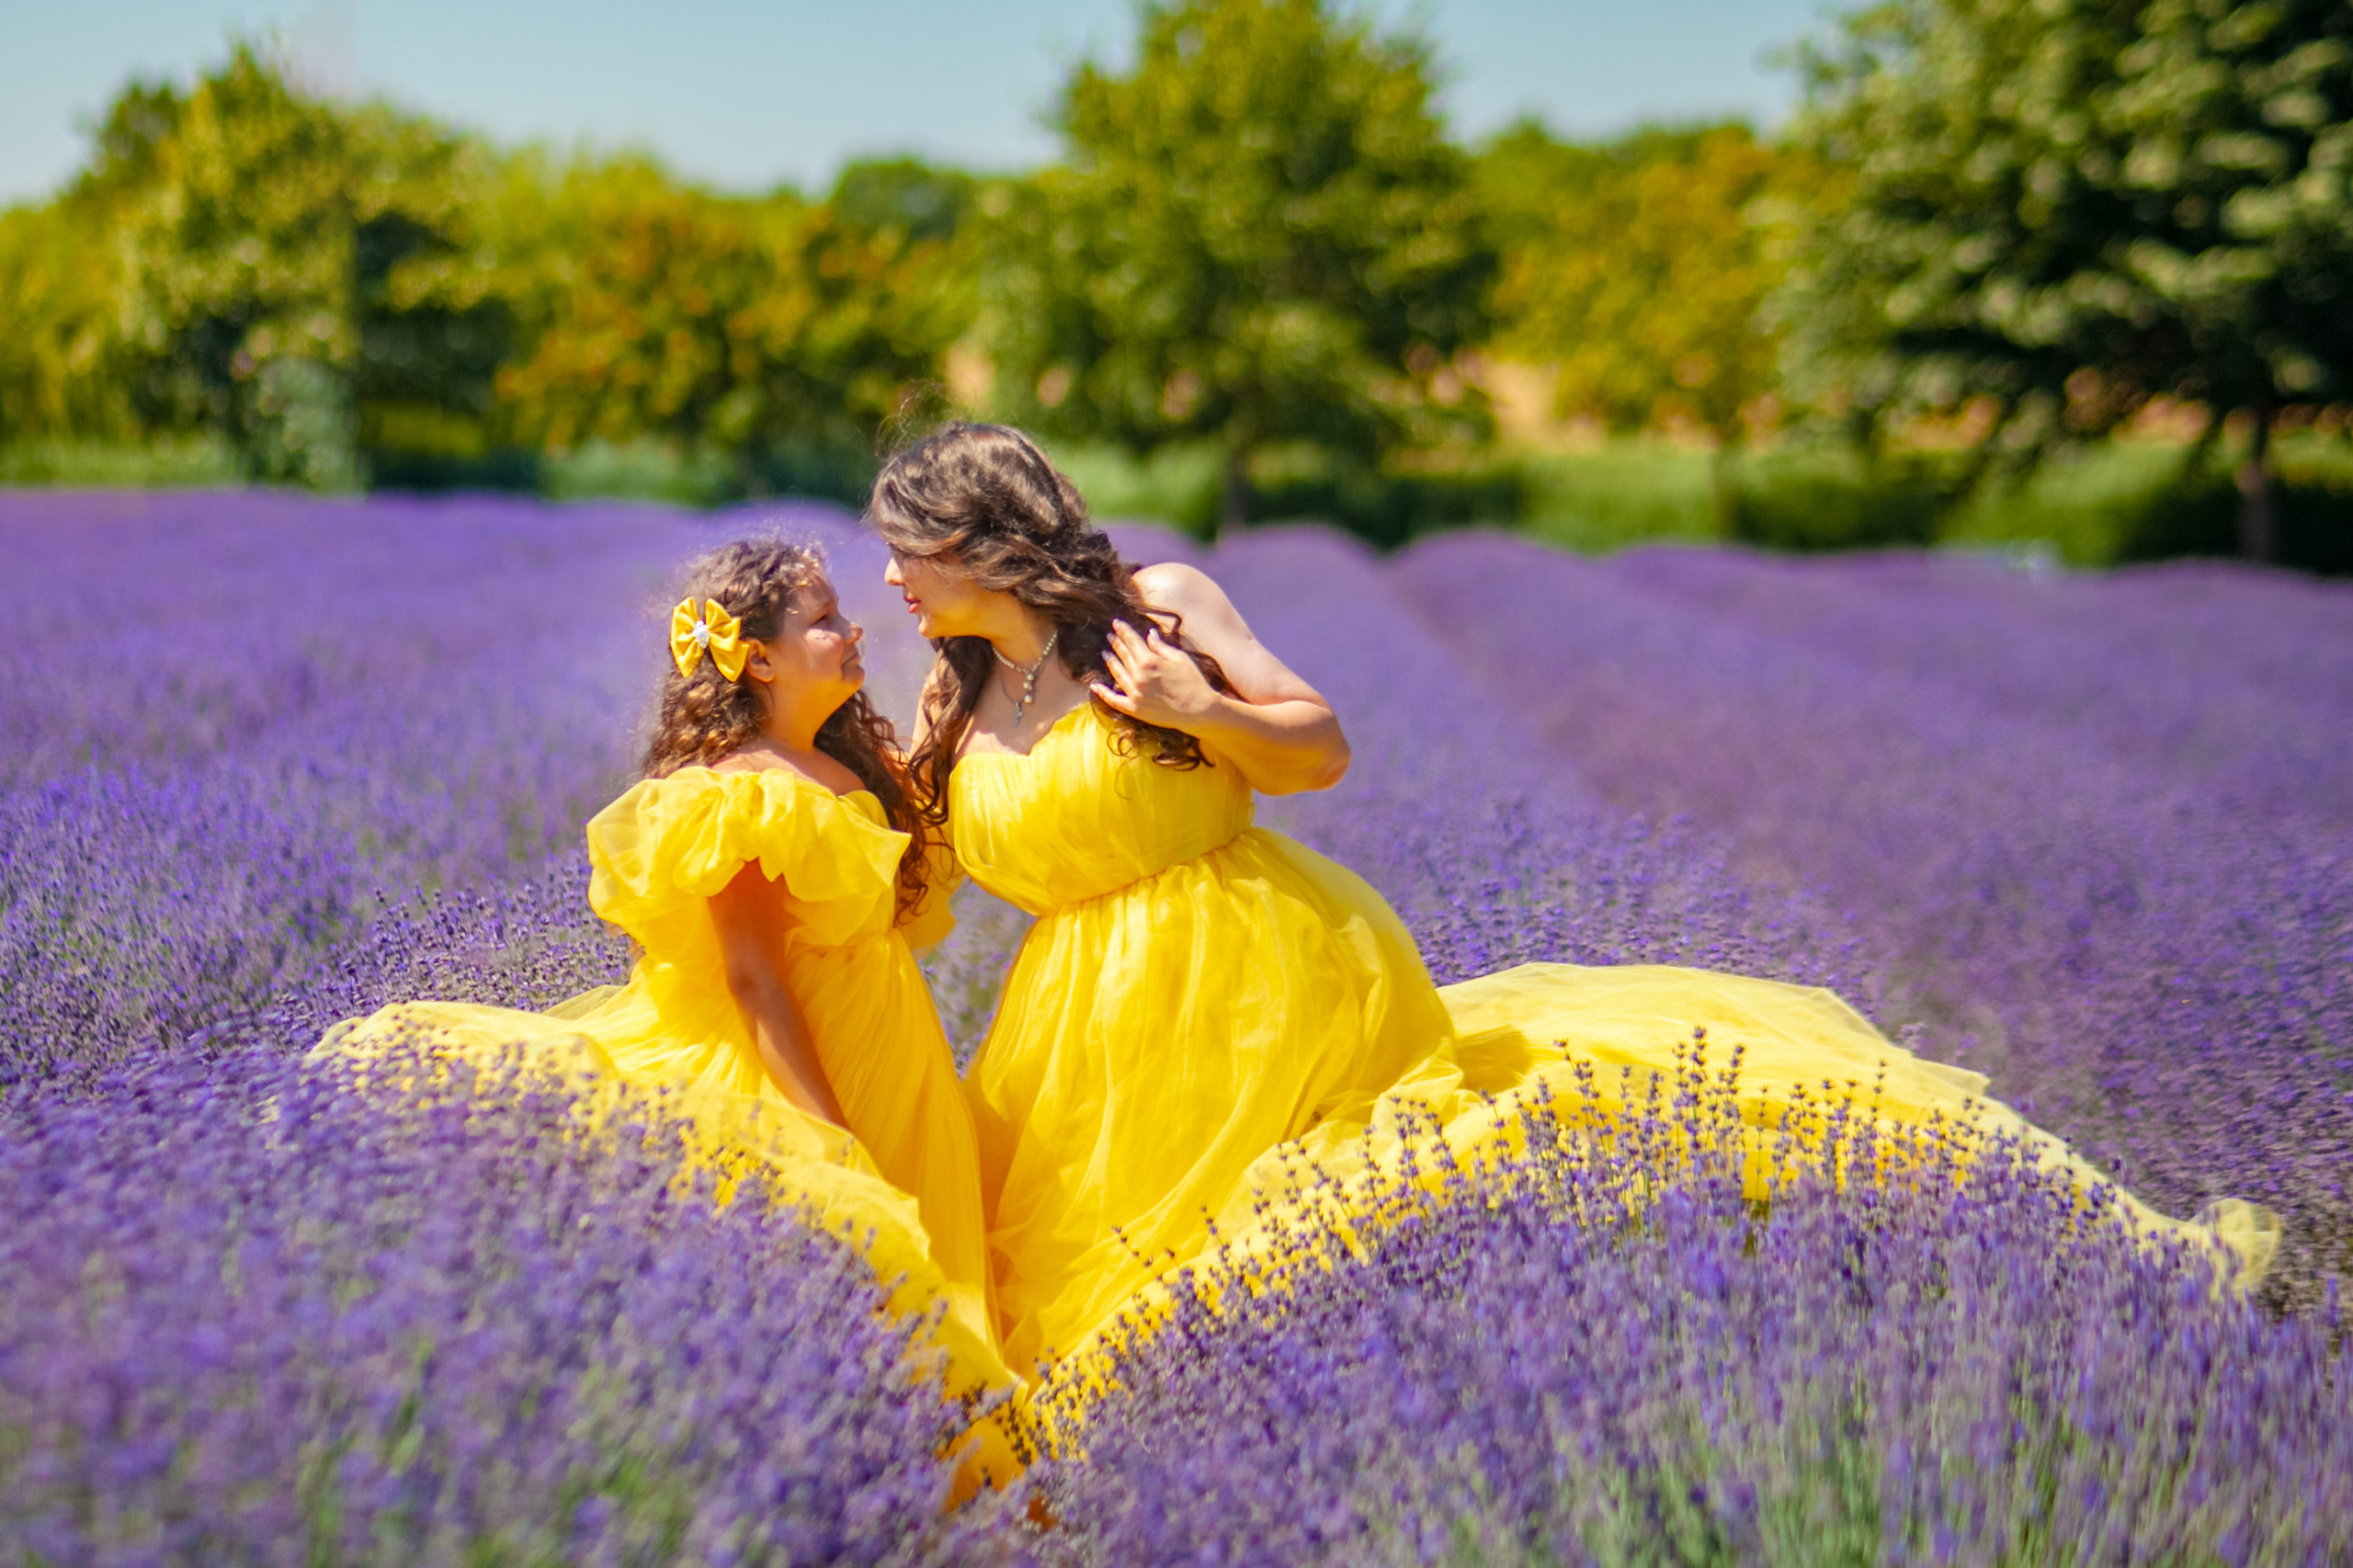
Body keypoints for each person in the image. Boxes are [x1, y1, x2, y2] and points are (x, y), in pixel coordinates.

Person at [868, 422, 2279, 1381]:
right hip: (1081, 1044)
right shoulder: (955, 692)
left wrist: (1196, 708)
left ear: (981, 539)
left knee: (1297, 1238)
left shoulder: (1157, 607)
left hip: (1256, 979)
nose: (889, 577)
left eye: (904, 547)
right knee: (1105, 1307)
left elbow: (1322, 744)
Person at [318, 538, 1014, 1460]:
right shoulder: (736, 793)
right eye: (824, 622)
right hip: (809, 1081)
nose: (852, 632)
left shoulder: (846, 763)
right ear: (757, 658)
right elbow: (751, 976)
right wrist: (831, 1139)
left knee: (912, 1308)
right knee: (849, 1292)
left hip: (892, 1065)